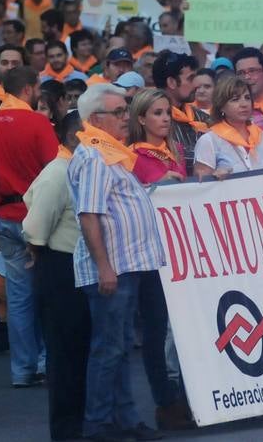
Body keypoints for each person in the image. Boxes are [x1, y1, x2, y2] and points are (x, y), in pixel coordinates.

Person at [66, 83, 166, 442]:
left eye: (126, 111)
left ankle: (125, 419)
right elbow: (89, 215)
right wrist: (104, 267)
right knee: (109, 348)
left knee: (120, 346)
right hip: (113, 269)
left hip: (128, 265)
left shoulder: (111, 153)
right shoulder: (94, 156)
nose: (127, 118)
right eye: (120, 113)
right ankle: (97, 423)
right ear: (96, 119)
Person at [0, 66, 57, 390]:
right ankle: (50, 363)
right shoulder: (38, 123)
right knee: (48, 292)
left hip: (5, 217)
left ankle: (22, 369)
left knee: (19, 296)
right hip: (39, 216)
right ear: (30, 89)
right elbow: (54, 175)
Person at [124, 89, 192, 429]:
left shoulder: (175, 151)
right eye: (157, 113)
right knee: (158, 330)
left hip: (180, 250)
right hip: (150, 252)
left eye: (167, 112)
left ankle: (183, 395)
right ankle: (165, 400)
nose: (165, 118)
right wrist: (156, 187)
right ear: (141, 119)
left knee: (181, 326)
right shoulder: (133, 156)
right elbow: (130, 203)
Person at [24, 112, 91, 440]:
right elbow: (35, 229)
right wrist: (36, 249)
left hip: (77, 266)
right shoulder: (58, 173)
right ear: (78, 136)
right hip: (60, 268)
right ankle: (67, 430)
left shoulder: (79, 169)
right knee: (65, 353)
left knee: (80, 349)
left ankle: (83, 422)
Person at [193, 75, 263, 179]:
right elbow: (202, 186)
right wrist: (214, 177)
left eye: (247, 98)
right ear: (221, 106)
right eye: (235, 99)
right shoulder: (209, 141)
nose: (244, 104)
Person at [152, 52, 203, 172]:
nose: (196, 85)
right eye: (191, 79)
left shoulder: (201, 117)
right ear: (171, 82)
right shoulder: (152, 120)